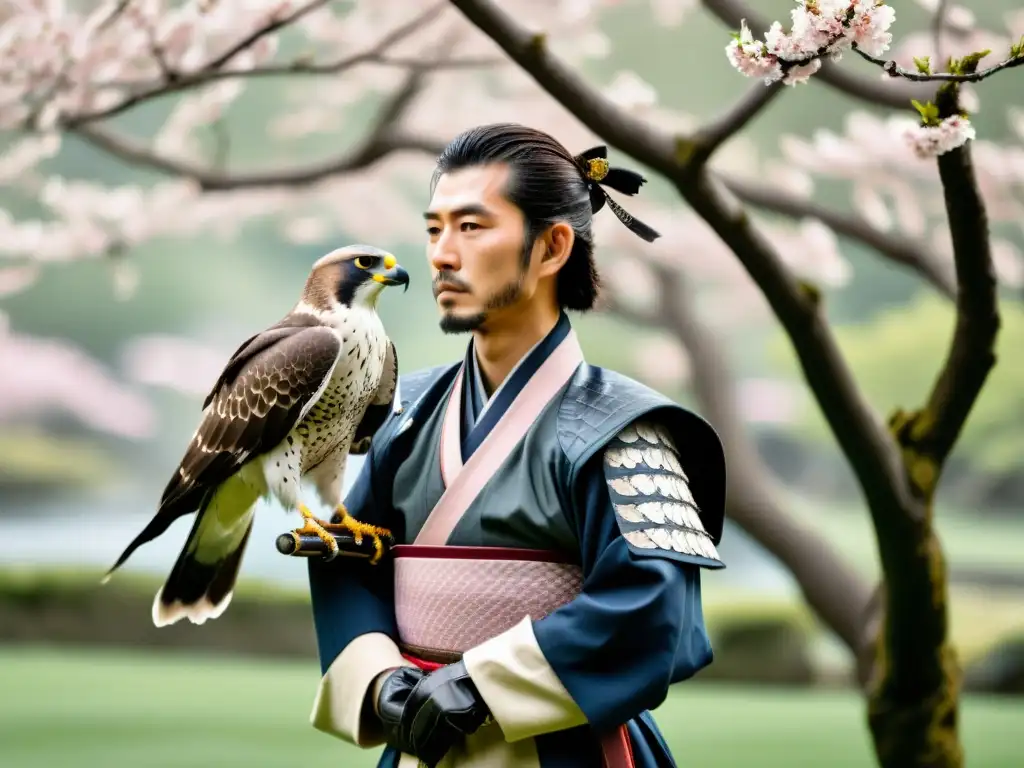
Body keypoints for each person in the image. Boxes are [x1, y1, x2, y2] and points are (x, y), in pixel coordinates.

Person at [305, 123, 727, 768]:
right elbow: (353, 554)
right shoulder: (405, 412)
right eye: (433, 229)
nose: (443, 254)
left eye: (471, 227)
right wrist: (380, 677)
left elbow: (650, 607)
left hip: (566, 747)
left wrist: (482, 683)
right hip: (425, 739)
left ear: (553, 246)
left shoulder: (623, 427)